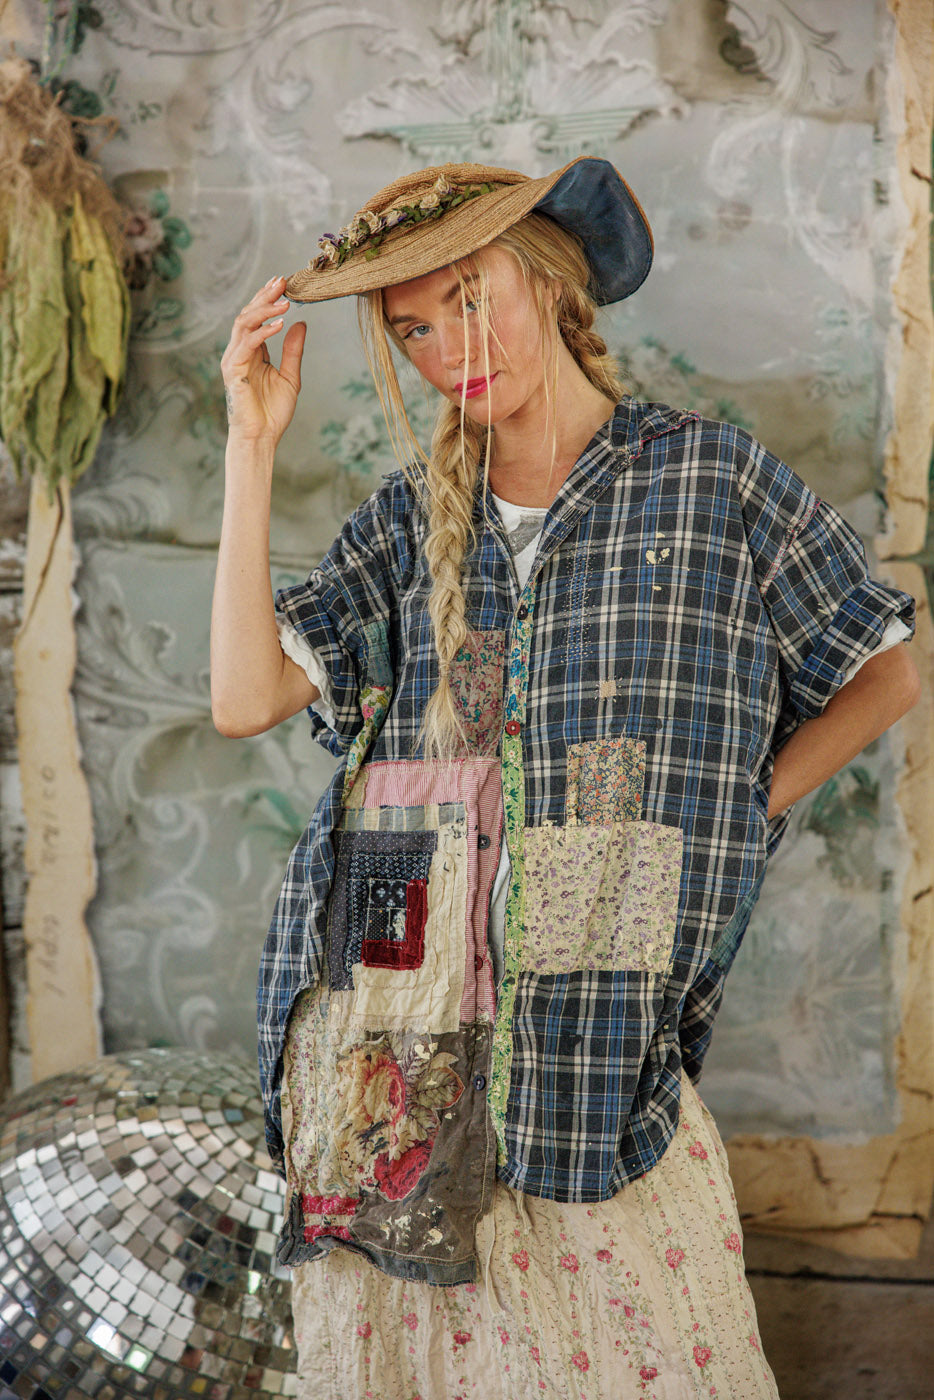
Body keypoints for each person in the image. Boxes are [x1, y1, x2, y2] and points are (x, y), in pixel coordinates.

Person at [212, 157, 919, 1399]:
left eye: (467, 298)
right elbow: (242, 697)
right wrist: (250, 442)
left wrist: (736, 811)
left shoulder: (709, 479)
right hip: (395, 1004)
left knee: (630, 1328)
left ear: (546, 280)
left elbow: (885, 673)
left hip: (595, 980)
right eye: (412, 328)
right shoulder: (404, 517)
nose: (448, 348)